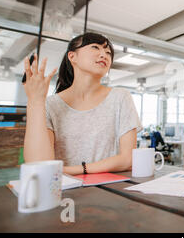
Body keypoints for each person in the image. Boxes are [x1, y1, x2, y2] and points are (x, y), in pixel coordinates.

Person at [23, 33, 142, 175]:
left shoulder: (120, 97)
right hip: (64, 191)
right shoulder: (51, 104)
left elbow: (128, 159)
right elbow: (39, 165)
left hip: (110, 190)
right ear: (72, 56)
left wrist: (72, 170)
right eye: (95, 47)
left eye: (108, 52)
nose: (104, 54)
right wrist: (35, 101)